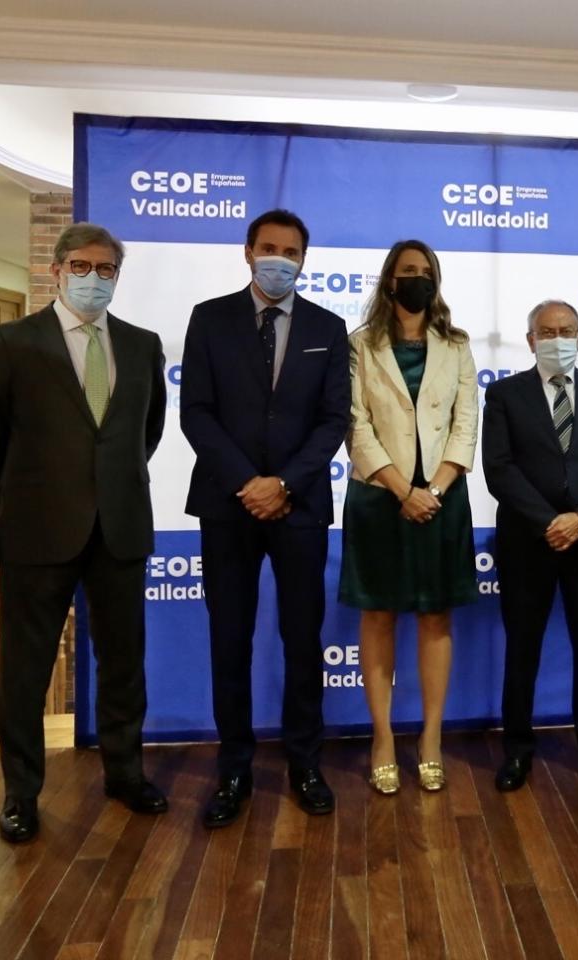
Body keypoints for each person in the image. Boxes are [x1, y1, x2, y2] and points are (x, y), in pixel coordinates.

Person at [0, 222, 170, 843]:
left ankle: (125, 773)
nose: (93, 278)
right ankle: (21, 794)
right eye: (81, 266)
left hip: (120, 527)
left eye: (106, 269)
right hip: (37, 531)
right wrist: (39, 490)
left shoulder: (141, 345)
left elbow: (147, 433)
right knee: (26, 669)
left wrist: (107, 486)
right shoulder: (12, 342)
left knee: (123, 664)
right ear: (57, 270)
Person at [181, 209, 352, 824]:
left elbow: (333, 420)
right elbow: (196, 412)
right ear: (248, 251)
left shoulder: (329, 327)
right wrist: (246, 483)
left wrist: (282, 483)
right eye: (269, 248)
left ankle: (306, 763)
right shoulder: (209, 318)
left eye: (291, 251)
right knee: (230, 640)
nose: (280, 260)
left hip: (299, 506)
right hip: (226, 505)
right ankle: (234, 770)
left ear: (304, 260)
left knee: (303, 641)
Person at [340, 240, 479, 795]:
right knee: (378, 616)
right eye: (407, 271)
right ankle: (381, 738)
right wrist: (403, 489)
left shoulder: (457, 344)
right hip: (379, 496)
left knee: (435, 617)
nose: (416, 279)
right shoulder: (360, 344)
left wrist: (433, 489)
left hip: (442, 499)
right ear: (389, 280)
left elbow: (466, 423)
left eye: (425, 271)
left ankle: (431, 738)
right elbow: (355, 425)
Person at [482, 300, 578, 792]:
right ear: (530, 340)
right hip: (528, 542)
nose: (557, 339)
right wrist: (550, 522)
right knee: (522, 651)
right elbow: (499, 468)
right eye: (547, 332)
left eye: (566, 331)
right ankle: (517, 750)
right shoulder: (504, 394)